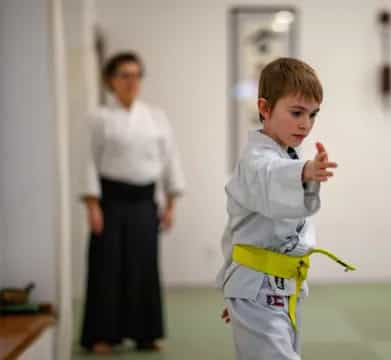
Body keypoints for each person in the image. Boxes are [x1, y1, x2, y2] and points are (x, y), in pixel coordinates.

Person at [216, 57, 355, 360]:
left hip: (280, 288)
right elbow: (270, 176)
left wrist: (231, 286)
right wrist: (304, 172)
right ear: (264, 108)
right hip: (257, 288)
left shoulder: (287, 157)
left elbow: (236, 230)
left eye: (313, 114)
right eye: (296, 112)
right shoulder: (255, 162)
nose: (305, 124)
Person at [80, 52, 185, 354]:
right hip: (110, 201)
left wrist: (171, 203)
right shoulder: (99, 118)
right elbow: (88, 162)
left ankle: (145, 333)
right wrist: (92, 204)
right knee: (106, 267)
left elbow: (170, 159)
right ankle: (102, 334)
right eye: (124, 75)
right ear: (110, 80)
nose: (131, 81)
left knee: (144, 267)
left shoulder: (156, 116)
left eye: (136, 75)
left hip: (144, 201)